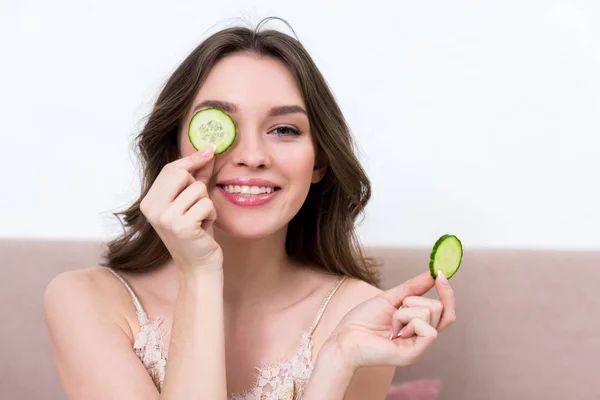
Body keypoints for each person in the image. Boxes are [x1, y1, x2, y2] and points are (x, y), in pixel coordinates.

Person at [44, 18, 456, 400]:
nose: (253, 156)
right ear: (175, 149)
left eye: (284, 129)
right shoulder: (84, 300)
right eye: (219, 125)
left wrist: (338, 359)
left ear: (319, 162)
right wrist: (200, 272)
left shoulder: (359, 315)